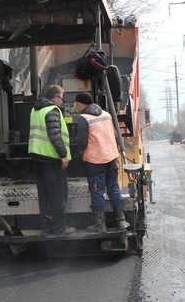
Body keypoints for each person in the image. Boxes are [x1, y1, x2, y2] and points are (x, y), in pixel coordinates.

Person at [74, 92, 129, 233]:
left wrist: (80, 152)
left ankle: (100, 225)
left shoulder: (83, 118)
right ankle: (121, 221)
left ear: (83, 103)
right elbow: (116, 135)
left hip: (95, 161)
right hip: (111, 158)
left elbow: (81, 141)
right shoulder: (106, 114)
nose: (75, 106)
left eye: (77, 103)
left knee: (97, 192)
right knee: (113, 189)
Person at [28, 84, 75, 236]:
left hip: (37, 157)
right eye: (61, 98)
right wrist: (63, 155)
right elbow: (55, 135)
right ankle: (60, 228)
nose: (62, 102)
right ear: (55, 97)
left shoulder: (35, 109)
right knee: (57, 194)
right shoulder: (52, 110)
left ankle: (47, 229)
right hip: (51, 158)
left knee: (44, 195)